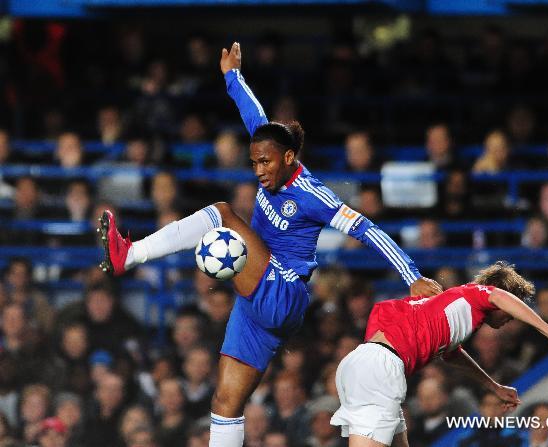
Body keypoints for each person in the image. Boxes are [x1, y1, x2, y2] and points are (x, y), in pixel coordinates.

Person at [99, 42, 441, 447]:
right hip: (254, 299)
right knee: (226, 401)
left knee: (224, 213)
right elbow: (253, 115)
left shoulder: (313, 194)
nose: (259, 170)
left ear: (290, 157)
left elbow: (368, 229)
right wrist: (231, 76)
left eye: (266, 162)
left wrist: (413, 276)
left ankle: (130, 255)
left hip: (284, 290)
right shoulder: (269, 151)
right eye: (254, 162)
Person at [331, 261, 548, 447]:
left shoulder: (440, 313)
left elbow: (451, 354)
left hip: (358, 363)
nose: (511, 317)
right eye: (511, 311)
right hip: (380, 367)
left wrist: (492, 385)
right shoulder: (471, 294)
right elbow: (498, 296)